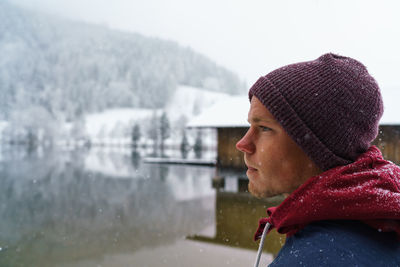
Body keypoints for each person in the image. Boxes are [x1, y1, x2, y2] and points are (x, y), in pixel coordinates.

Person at [236, 53, 400, 266]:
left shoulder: (317, 258)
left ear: (317, 146)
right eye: (250, 126)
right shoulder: (377, 219)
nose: (242, 144)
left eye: (265, 128)